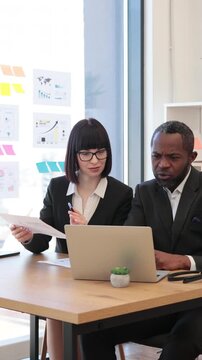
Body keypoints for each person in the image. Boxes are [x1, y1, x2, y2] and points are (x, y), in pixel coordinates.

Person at [10, 118, 133, 360]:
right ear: (73, 155)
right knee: (57, 302)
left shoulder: (122, 193)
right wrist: (27, 237)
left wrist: (87, 231)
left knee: (61, 304)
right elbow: (41, 241)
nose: (95, 160)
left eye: (100, 152)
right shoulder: (57, 188)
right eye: (86, 153)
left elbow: (120, 247)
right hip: (65, 280)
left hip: (102, 279)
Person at [80, 120, 202, 360]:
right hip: (159, 301)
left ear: (191, 157)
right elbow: (129, 243)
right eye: (156, 156)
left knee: (179, 344)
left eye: (173, 157)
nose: (162, 164)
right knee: (92, 331)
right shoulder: (145, 192)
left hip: (198, 303)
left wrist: (185, 261)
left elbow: (179, 261)